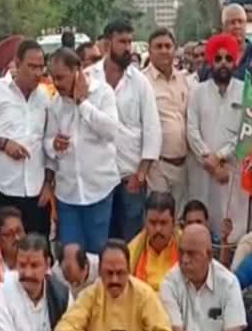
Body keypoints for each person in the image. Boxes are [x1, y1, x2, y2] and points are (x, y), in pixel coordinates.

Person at [85, 20, 161, 242]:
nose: (128, 47)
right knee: (101, 240)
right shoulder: (89, 78)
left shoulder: (140, 82)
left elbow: (151, 128)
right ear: (108, 44)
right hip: (97, 177)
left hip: (130, 178)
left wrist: (142, 173)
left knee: (131, 241)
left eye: (130, 42)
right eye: (122, 42)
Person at [0, 39, 54, 237]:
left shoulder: (44, 96)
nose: (37, 73)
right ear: (17, 63)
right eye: (31, 66)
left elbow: (47, 143)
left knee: (36, 255)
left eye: (41, 67)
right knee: (3, 255)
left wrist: (48, 184)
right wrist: (3, 143)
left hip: (36, 194)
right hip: (3, 191)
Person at [53, 239, 177, 331]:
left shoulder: (144, 295)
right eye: (109, 273)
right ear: (99, 271)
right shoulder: (91, 294)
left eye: (120, 273)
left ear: (129, 271)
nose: (114, 280)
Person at [45, 48, 120, 254]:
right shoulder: (55, 105)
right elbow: (47, 142)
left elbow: (111, 131)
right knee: (71, 256)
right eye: (53, 77)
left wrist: (82, 103)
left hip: (99, 189)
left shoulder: (102, 93)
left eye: (61, 77)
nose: (56, 83)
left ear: (77, 71)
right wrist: (54, 144)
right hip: (67, 194)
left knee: (97, 254)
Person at [187, 34, 252, 247]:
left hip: (232, 171)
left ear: (235, 62)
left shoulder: (246, 92)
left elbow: (246, 132)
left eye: (228, 58)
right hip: (204, 170)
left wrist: (221, 156)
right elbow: (191, 130)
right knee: (206, 224)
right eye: (218, 58)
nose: (223, 63)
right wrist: (210, 160)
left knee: (234, 229)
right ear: (210, 62)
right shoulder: (197, 93)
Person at [160, 224, 246, 331]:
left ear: (209, 255)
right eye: (181, 252)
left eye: (192, 253)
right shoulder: (170, 282)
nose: (185, 260)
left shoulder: (229, 284)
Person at [143, 28, 189, 213]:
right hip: (157, 166)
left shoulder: (184, 79)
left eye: (168, 46)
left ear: (175, 49)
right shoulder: (142, 82)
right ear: (150, 50)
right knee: (160, 216)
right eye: (158, 46)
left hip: (184, 165)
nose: (164, 50)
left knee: (180, 220)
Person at [128, 191, 181, 292]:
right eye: (152, 223)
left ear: (174, 222)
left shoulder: (185, 245)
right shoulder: (133, 250)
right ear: (145, 222)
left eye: (163, 223)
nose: (158, 229)